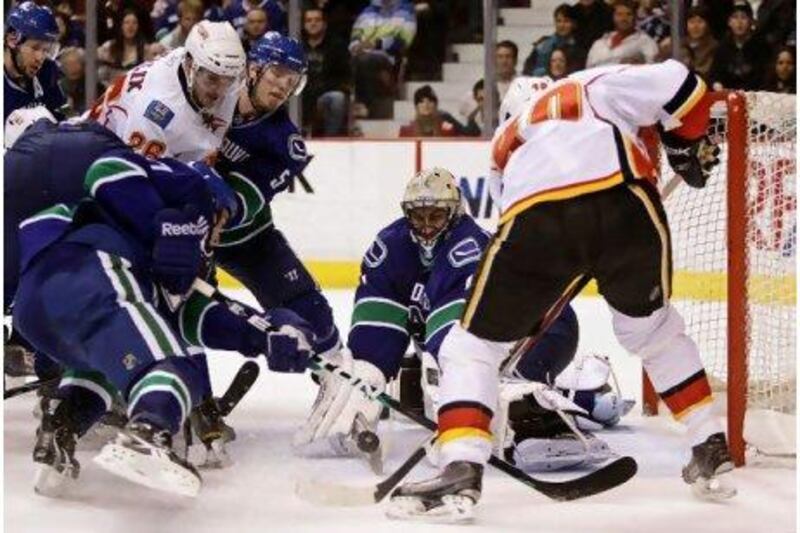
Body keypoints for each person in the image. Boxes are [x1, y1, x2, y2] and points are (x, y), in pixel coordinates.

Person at [387, 59, 736, 521]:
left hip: (538, 219)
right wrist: (684, 143)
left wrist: (535, 292)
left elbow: (516, 223)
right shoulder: (593, 83)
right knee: (653, 332)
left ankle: (461, 464)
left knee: (473, 346)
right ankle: (708, 442)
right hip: (628, 206)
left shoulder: (503, 142)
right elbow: (684, 83)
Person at [12, 148, 316, 497]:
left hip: (40, 308)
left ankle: (60, 433)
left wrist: (267, 333)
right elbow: (106, 168)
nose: (218, 235)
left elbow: (198, 314)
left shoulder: (181, 260)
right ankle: (148, 431)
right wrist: (166, 227)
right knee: (173, 366)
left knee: (103, 371)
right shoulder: (191, 187)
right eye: (222, 220)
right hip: (90, 268)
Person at [294, 168, 630, 469]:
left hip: (543, 330)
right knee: (417, 387)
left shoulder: (468, 248)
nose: (425, 226)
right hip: (490, 341)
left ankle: (559, 419)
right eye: (418, 216)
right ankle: (592, 399)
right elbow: (377, 326)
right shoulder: (391, 247)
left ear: (454, 215)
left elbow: (456, 343)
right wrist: (364, 375)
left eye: (436, 216)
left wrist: (456, 421)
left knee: (489, 388)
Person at [214, 33, 342, 367]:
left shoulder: (284, 142)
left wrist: (209, 209)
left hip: (247, 239)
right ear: (253, 69)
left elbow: (245, 200)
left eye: (293, 80)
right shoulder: (210, 93)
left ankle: (336, 372)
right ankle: (189, 398)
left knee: (312, 314)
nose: (284, 86)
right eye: (278, 73)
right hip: (182, 227)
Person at [88, 20, 246, 162]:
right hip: (97, 151)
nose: (220, 91)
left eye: (229, 80)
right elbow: (141, 175)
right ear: (190, 66)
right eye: (212, 79)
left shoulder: (202, 62)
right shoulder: (156, 108)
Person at [349, 0, 417, 119]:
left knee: (366, 60)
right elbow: (356, 33)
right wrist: (355, 45)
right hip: (360, 53)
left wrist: (376, 44)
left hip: (387, 57)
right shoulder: (367, 11)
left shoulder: (406, 10)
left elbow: (405, 40)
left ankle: (364, 105)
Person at [4, 2, 67, 121]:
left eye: (46, 50)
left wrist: (74, 121)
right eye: (35, 48)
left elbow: (62, 109)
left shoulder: (48, 69)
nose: (40, 58)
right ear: (12, 40)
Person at [302, 7, 351, 136]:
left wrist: (319, 93)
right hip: (302, 95)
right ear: (304, 24)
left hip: (326, 92)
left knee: (337, 98)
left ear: (324, 24)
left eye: (317, 20)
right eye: (309, 20)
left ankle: (331, 139)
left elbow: (344, 77)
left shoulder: (337, 45)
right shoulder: (297, 45)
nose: (313, 23)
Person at [708, 2, 770, 91]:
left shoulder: (761, 46)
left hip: (754, 95)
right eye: (735, 17)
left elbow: (763, 77)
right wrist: (717, 84)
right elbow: (714, 74)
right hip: (727, 94)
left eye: (743, 17)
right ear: (729, 22)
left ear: (751, 21)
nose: (739, 22)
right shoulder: (723, 47)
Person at [458, 41, 517, 127]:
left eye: (508, 57)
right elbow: (463, 109)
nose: (504, 61)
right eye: (500, 57)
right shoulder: (484, 84)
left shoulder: (522, 84)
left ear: (515, 60)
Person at [586, 0, 659, 68]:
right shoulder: (600, 43)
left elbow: (654, 69)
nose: (624, 18)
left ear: (635, 17)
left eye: (629, 14)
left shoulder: (645, 41)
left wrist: (639, 66)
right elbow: (587, 71)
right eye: (619, 14)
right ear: (613, 17)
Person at [522, 4, 585, 76]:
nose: (562, 25)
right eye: (559, 21)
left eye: (566, 21)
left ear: (574, 24)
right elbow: (527, 69)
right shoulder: (543, 44)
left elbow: (578, 73)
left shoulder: (579, 48)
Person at [97, 9, 153, 86]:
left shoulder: (145, 50)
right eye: (127, 22)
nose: (131, 26)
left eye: (134, 23)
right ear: (121, 26)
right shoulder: (109, 47)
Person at [399, 85, 464, 137]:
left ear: (436, 105)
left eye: (430, 101)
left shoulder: (448, 129)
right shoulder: (406, 131)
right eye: (421, 101)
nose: (426, 105)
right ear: (416, 106)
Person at [678, 6, 718, 81]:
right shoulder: (679, 44)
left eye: (700, 21)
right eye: (691, 22)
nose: (695, 26)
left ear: (707, 24)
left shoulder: (713, 47)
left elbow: (706, 72)